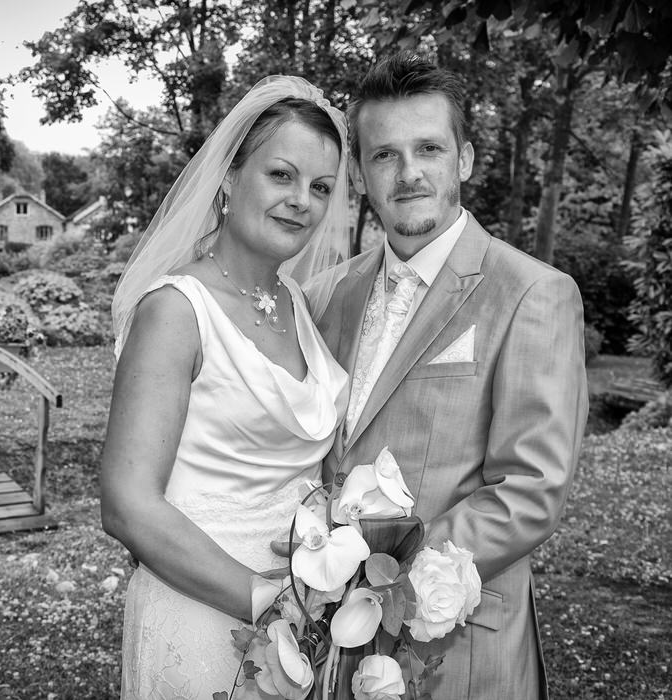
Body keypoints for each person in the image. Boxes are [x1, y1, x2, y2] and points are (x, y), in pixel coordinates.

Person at [310, 52, 588, 699]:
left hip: (459, 647)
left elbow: (530, 488)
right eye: (385, 155)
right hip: (334, 645)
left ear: (462, 159)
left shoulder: (532, 294)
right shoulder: (329, 295)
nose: (409, 174)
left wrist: (377, 574)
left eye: (429, 148)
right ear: (360, 173)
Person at [102, 76, 352, 699]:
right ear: (227, 179)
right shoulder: (176, 311)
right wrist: (271, 602)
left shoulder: (294, 303)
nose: (302, 200)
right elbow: (127, 503)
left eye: (321, 188)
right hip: (202, 604)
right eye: (281, 175)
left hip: (302, 617)